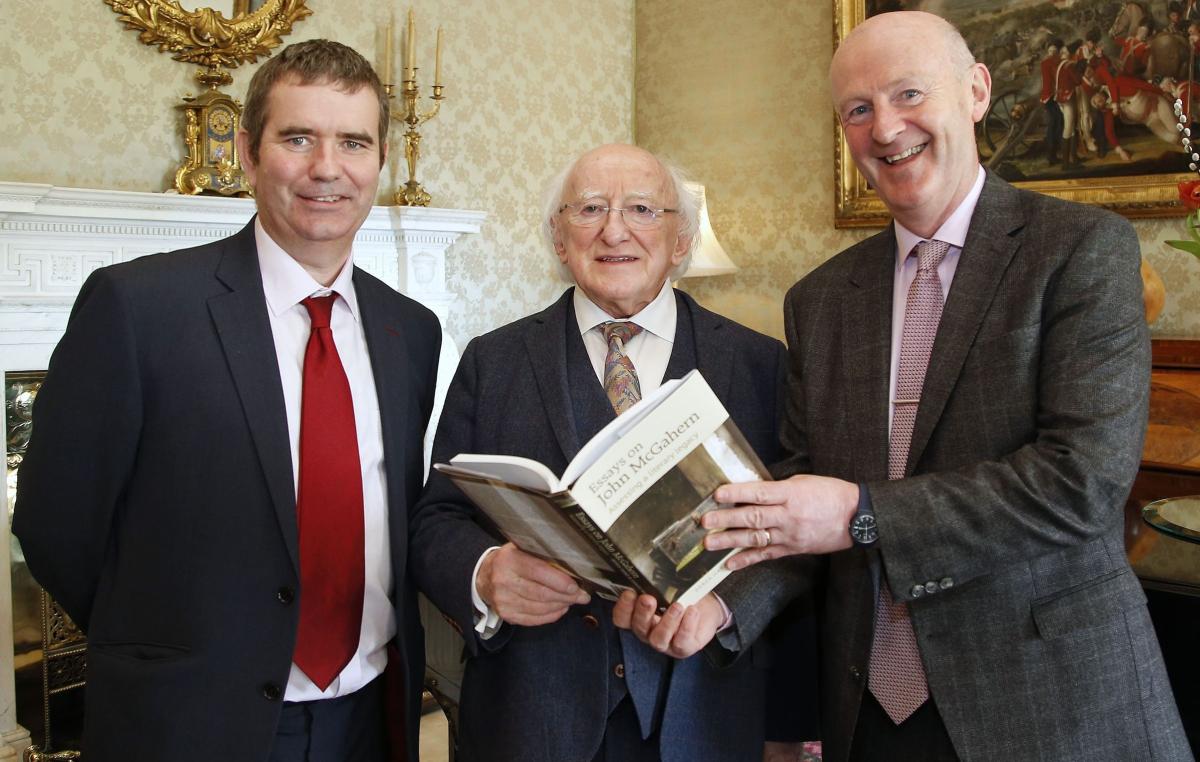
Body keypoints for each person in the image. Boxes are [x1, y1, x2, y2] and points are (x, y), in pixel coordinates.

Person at [617, 11, 1193, 761]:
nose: (885, 128)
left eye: (908, 94)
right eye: (858, 109)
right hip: (870, 713)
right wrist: (723, 608)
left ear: (977, 92)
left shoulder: (1080, 251)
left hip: (1049, 704)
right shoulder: (820, 300)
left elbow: (1081, 483)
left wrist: (862, 514)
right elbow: (796, 499)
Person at [13, 39, 441, 762]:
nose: (326, 168)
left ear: (381, 161)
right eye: (297, 138)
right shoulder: (138, 309)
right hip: (188, 721)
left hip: (370, 719)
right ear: (247, 152)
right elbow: (56, 526)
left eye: (353, 143)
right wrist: (170, 645)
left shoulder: (413, 332)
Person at [408, 143, 810, 762]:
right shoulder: (493, 361)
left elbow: (794, 537)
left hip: (704, 714)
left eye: (642, 209)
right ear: (558, 238)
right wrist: (485, 572)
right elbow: (436, 518)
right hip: (532, 717)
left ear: (681, 241)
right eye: (590, 208)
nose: (614, 230)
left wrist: (727, 610)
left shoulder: (760, 364)